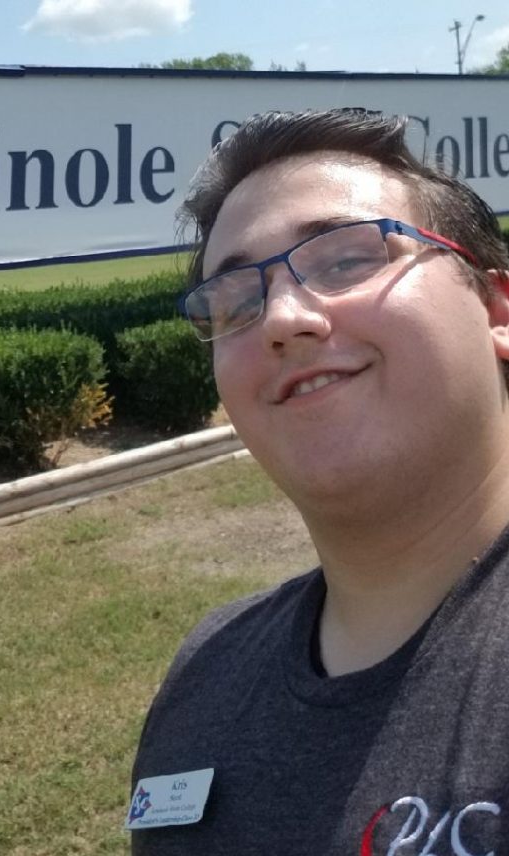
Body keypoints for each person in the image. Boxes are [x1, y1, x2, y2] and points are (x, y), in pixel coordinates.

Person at [129, 109, 508, 854]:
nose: (281, 317)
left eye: (345, 259)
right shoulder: (204, 674)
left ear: (496, 308)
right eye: (235, 300)